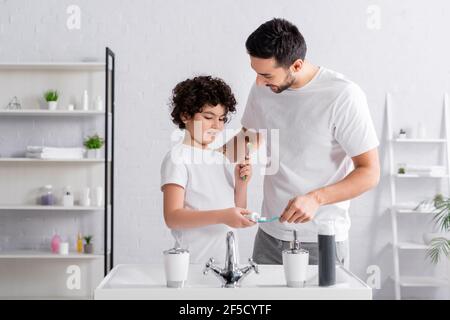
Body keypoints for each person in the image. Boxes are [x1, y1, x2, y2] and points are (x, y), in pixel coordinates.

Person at [221, 18, 380, 268]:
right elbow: (249, 138)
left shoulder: (343, 96)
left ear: (296, 65)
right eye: (256, 73)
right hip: (269, 237)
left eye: (266, 75)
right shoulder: (263, 87)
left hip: (322, 239)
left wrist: (316, 199)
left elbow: (370, 173)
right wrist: (199, 144)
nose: (259, 82)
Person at [160, 75, 255, 264]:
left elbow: (239, 209)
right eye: (208, 117)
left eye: (221, 119)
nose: (217, 126)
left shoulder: (220, 159)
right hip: (195, 264)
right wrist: (223, 216)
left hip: (227, 263)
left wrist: (241, 183)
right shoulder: (178, 158)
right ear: (185, 115)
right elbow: (172, 217)